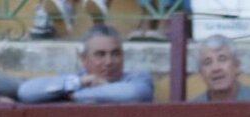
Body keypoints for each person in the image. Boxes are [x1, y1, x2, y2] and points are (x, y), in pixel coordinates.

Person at [17, 24, 154, 103]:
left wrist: (77, 96)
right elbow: (26, 91)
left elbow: (135, 93)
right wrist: (79, 83)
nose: (109, 62)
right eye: (100, 55)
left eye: (115, 54)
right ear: (83, 59)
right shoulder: (74, 81)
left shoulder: (137, 79)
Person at [189, 34, 250, 102]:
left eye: (222, 59)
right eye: (207, 62)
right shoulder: (191, 110)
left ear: (237, 66)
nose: (215, 68)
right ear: (201, 73)